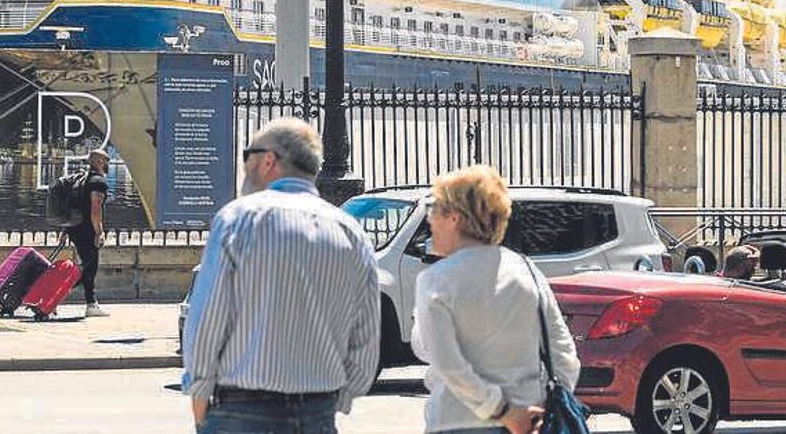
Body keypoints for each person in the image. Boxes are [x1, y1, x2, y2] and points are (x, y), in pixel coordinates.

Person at [182, 118, 382, 434]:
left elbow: (208, 317)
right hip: (317, 409)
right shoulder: (350, 232)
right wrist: (339, 397)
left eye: (247, 155)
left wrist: (199, 389)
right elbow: (367, 336)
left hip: (241, 407)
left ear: (268, 160)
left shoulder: (238, 219)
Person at [413, 165, 581, 434]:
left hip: (459, 420)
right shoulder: (527, 271)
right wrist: (541, 408)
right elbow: (564, 354)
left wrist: (502, 410)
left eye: (433, 211)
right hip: (530, 420)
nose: (430, 222)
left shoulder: (437, 280)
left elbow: (445, 362)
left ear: (454, 218)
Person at [65, 148, 111, 318]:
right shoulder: (98, 182)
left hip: (75, 229)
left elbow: (73, 206)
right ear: (99, 162)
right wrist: (99, 232)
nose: (108, 165)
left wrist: (66, 229)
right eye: (107, 161)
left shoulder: (81, 179)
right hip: (87, 231)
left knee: (87, 267)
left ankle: (89, 302)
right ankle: (85, 301)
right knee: (90, 268)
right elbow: (95, 209)